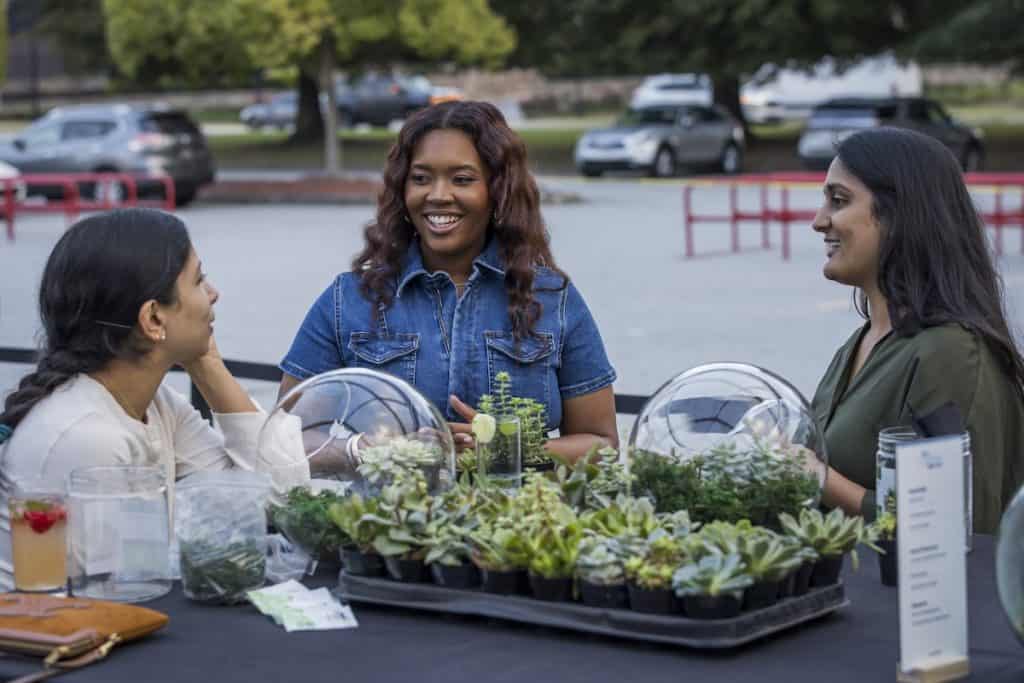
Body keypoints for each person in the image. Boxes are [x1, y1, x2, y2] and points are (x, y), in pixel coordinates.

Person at [280, 100, 618, 463]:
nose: (438, 195)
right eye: (421, 178)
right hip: (390, 518)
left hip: (520, 517)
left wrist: (506, 449)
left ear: (498, 190)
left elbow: (602, 444)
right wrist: (369, 451)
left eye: (462, 179)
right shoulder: (349, 301)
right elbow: (282, 439)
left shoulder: (552, 299)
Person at [0, 208, 308, 589]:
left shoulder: (156, 404)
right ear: (154, 319)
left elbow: (281, 499)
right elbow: (116, 591)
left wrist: (208, 365)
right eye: (199, 281)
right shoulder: (87, 436)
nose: (213, 294)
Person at [809, 127, 1024, 533]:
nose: (819, 221)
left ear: (899, 215)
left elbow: (955, 528)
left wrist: (820, 479)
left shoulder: (953, 353)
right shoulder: (859, 344)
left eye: (838, 201)